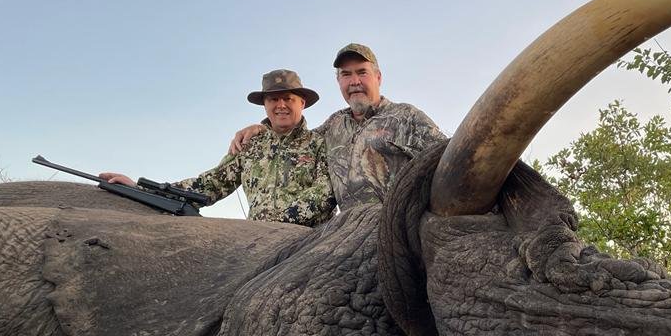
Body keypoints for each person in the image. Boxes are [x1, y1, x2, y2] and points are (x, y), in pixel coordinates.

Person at [100, 70, 335, 226]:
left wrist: (274, 222)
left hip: (308, 243)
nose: (280, 105)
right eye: (273, 99)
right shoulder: (250, 145)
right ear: (264, 104)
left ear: (302, 103)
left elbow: (324, 193)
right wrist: (141, 189)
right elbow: (210, 184)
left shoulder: (319, 143)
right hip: (260, 242)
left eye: (288, 98)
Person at [229, 44, 445, 211]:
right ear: (338, 81)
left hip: (401, 235)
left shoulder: (406, 117)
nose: (354, 81)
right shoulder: (333, 125)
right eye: (346, 74)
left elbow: (448, 161)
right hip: (350, 242)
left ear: (378, 77)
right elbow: (295, 141)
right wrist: (263, 128)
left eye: (362, 72)